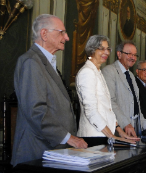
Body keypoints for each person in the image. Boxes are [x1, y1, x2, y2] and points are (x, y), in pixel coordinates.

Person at [11, 14, 88, 167]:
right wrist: (68, 138)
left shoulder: (45, 61)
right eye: (62, 32)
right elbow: (36, 111)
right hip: (37, 152)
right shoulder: (31, 62)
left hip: (53, 150)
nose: (67, 37)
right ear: (44, 34)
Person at [76, 35, 138, 145]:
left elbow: (107, 109)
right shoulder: (87, 72)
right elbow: (91, 111)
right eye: (102, 48)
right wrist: (112, 136)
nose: (107, 52)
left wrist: (119, 131)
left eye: (108, 49)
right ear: (92, 49)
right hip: (93, 136)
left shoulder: (98, 72)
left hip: (104, 135)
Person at [102, 40, 146, 137]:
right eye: (129, 54)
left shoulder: (131, 76)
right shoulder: (109, 71)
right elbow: (110, 102)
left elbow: (136, 107)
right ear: (119, 54)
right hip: (117, 132)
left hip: (134, 132)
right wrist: (125, 124)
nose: (132, 57)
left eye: (135, 55)